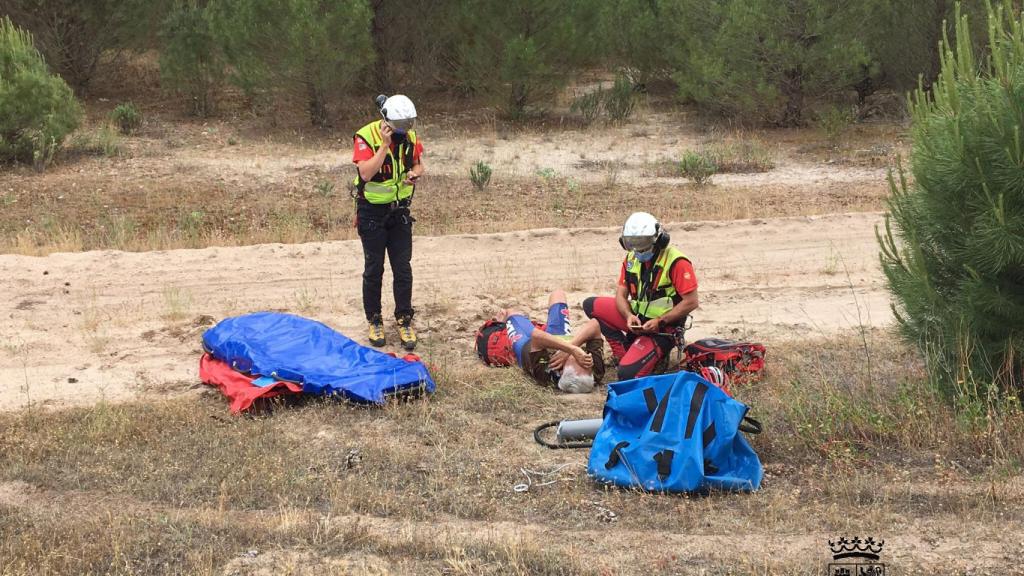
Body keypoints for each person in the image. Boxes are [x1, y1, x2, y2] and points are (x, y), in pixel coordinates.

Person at [583, 212, 699, 380]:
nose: (638, 249)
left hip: (664, 329)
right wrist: (628, 316)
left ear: (658, 239)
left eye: (643, 243)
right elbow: (621, 295)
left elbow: (691, 301)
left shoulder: (677, 262)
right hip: (638, 320)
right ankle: (624, 352)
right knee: (590, 305)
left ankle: (653, 357)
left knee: (627, 374)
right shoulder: (631, 258)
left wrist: (660, 321)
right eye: (632, 243)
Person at [352, 94, 424, 351]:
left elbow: (418, 164)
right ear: (386, 121)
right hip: (371, 213)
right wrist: (384, 146)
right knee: (374, 268)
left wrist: (414, 174)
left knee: (402, 268)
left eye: (409, 123)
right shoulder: (365, 137)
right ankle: (374, 320)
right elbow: (366, 172)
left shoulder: (410, 138)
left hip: (400, 212)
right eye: (400, 124)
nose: (405, 129)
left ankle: (404, 320)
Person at [476, 290, 606, 393]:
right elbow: (594, 325)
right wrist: (571, 348)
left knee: (510, 313)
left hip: (526, 342)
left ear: (561, 371)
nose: (584, 357)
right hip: (560, 337)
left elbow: (536, 336)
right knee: (558, 294)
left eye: (579, 361)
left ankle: (501, 323)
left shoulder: (546, 373)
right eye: (587, 364)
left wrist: (571, 350)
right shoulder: (593, 373)